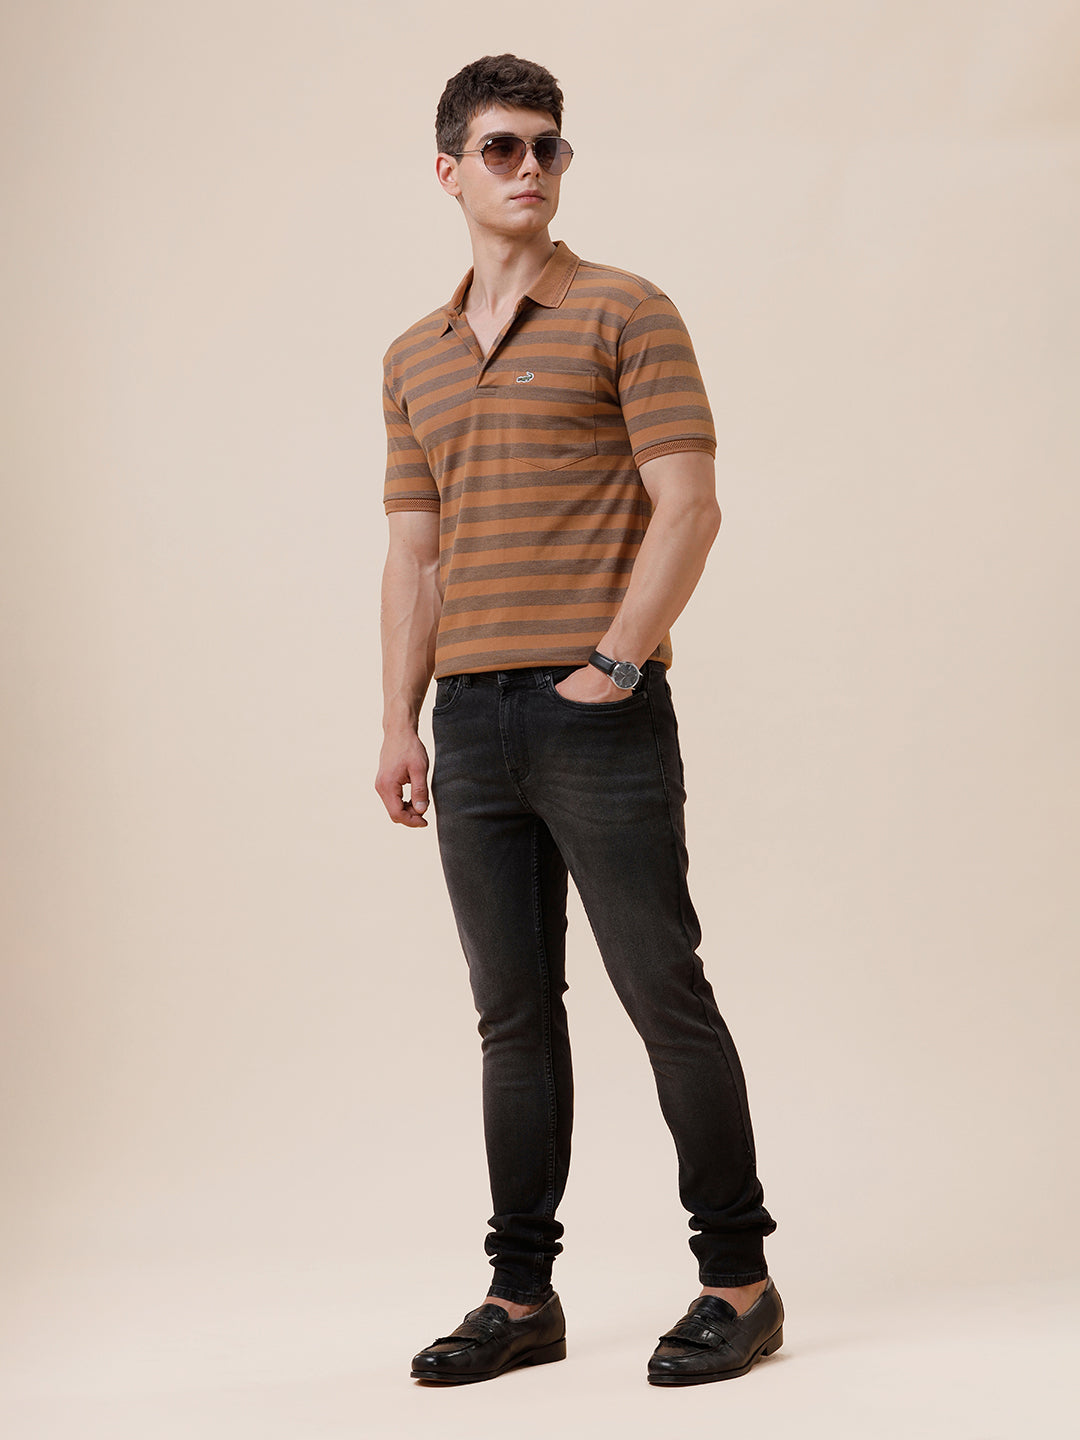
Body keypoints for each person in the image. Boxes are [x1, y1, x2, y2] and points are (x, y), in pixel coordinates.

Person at [376, 53, 782, 1387]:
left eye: (548, 146)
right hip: (469, 723)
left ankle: (739, 1279)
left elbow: (690, 504)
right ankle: (521, 1297)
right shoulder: (415, 356)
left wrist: (614, 662)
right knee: (511, 1015)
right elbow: (414, 557)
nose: (530, 168)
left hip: (595, 711)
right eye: (502, 147)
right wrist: (400, 720)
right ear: (449, 170)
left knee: (662, 988)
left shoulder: (625, 310)